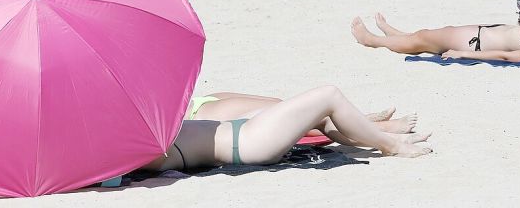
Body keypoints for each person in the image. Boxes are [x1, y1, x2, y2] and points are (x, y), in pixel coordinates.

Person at [138, 86, 432, 174]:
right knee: (329, 96)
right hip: (249, 143)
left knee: (311, 113)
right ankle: (390, 145)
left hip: (242, 132)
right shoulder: (142, 149)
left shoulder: (138, 139)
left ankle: (382, 135)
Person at [351, 13, 520, 64]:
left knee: (424, 39)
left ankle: (372, 40)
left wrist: (465, 55)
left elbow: (508, 57)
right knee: (425, 37)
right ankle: (396, 34)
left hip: (476, 42)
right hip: (484, 32)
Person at [186, 92, 418, 135]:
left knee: (282, 104)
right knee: (299, 118)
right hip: (200, 115)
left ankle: (361, 119)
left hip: (199, 101)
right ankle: (382, 128)